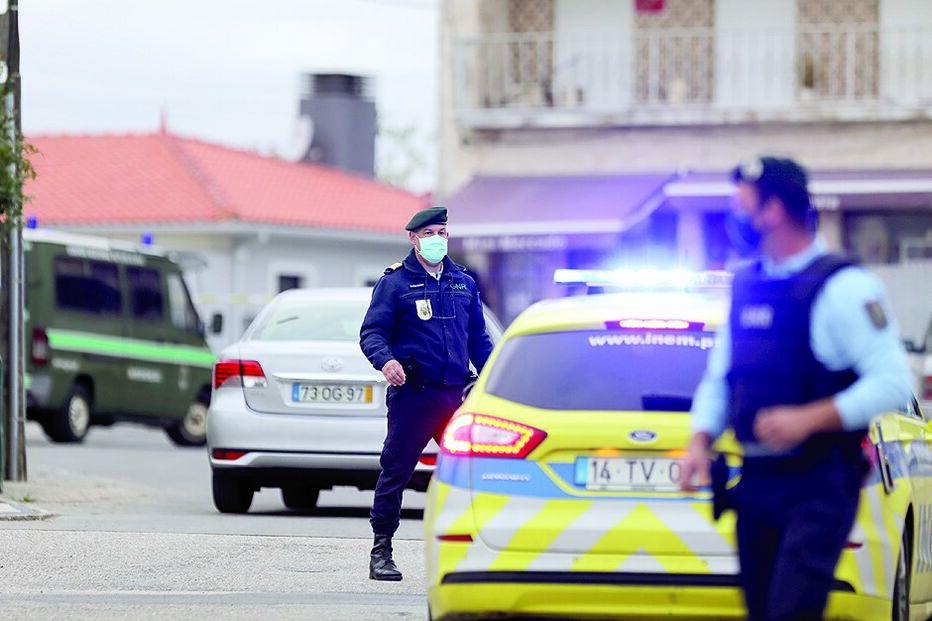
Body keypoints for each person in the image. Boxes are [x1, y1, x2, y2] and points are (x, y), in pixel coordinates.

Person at [679, 156, 913, 621]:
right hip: (757, 482)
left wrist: (808, 419)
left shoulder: (843, 286)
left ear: (774, 211)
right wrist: (699, 440)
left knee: (791, 611)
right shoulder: (748, 285)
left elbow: (892, 382)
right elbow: (721, 376)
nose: (735, 218)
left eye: (742, 206)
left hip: (819, 482)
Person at [360, 205, 494, 581]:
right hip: (414, 396)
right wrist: (385, 361)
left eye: (442, 232)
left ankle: (475, 550)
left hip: (455, 397)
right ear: (414, 238)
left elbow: (479, 341)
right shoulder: (395, 284)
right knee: (396, 472)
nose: (437, 239)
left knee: (469, 474)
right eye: (430, 233)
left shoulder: (463, 283)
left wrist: (495, 380)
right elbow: (372, 332)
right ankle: (381, 550)